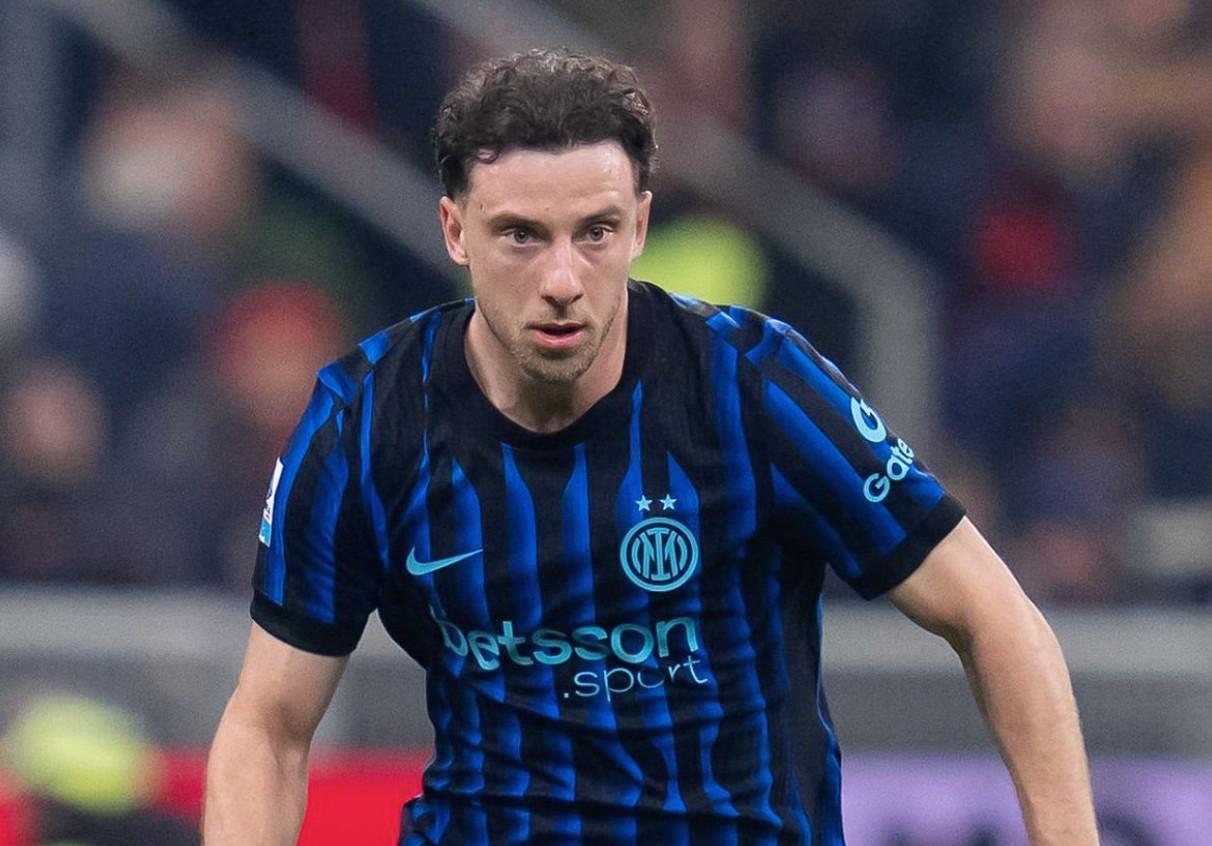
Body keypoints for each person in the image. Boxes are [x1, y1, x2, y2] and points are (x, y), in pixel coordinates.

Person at [203, 48, 1099, 845]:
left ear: (638, 226)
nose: (562, 279)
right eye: (520, 236)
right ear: (454, 231)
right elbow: (269, 729)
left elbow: (995, 617)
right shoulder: (367, 421)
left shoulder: (752, 387)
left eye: (594, 232)